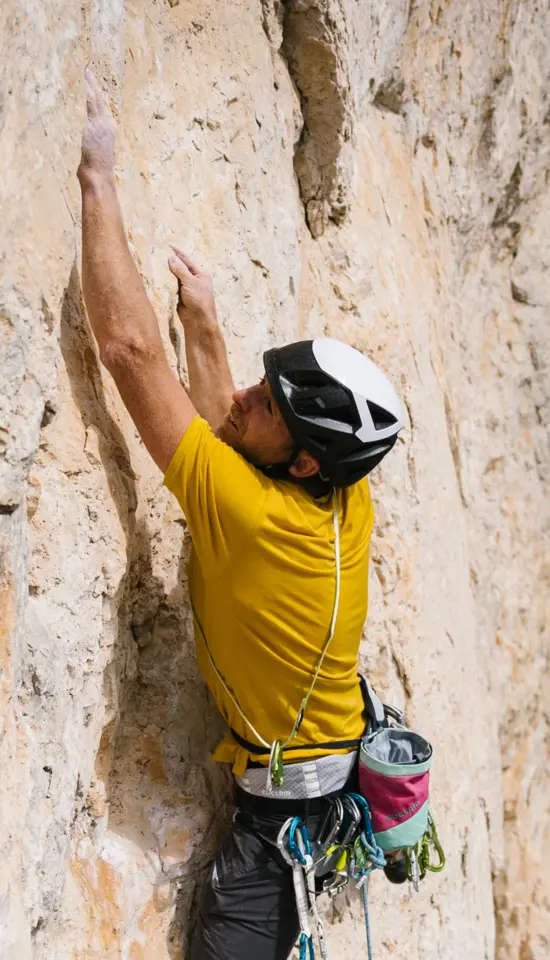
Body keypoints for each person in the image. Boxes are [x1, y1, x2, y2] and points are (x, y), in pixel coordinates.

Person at [78, 71, 404, 960]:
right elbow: (234, 441)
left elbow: (126, 350)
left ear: (302, 460)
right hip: (335, 761)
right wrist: (211, 331)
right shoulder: (343, 485)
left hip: (282, 823)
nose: (247, 397)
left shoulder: (255, 517)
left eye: (269, 402)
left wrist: (96, 179)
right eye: (262, 379)